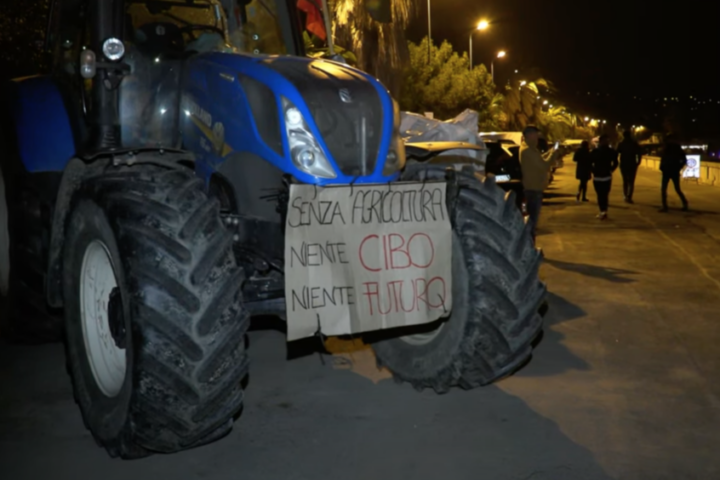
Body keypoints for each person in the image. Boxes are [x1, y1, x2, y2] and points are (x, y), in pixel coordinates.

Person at [520, 125, 560, 239]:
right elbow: (544, 165)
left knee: (530, 221)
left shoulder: (529, 148)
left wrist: (551, 151)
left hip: (532, 188)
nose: (537, 138)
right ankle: (529, 249)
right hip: (533, 189)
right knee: (531, 222)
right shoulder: (528, 150)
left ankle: (529, 247)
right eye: (535, 135)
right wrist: (553, 154)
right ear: (528, 135)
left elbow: (539, 159)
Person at [589, 134, 619, 220]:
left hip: (599, 176)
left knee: (600, 194)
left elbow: (589, 163)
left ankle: (602, 211)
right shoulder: (611, 151)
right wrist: (611, 170)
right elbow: (616, 163)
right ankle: (604, 210)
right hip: (605, 176)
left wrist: (593, 170)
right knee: (604, 194)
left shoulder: (595, 151)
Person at [659, 135, 689, 212]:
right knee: (677, 188)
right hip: (673, 170)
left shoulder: (668, 148)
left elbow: (663, 158)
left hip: (669, 170)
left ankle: (665, 206)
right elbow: (684, 160)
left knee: (664, 189)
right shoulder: (676, 148)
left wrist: (662, 167)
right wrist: (679, 166)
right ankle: (684, 203)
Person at [617, 130, 643, 203]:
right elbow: (639, 152)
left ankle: (625, 195)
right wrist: (638, 161)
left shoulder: (621, 143)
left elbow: (616, 153)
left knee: (625, 180)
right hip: (632, 163)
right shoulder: (634, 143)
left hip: (624, 163)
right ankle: (629, 196)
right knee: (631, 181)